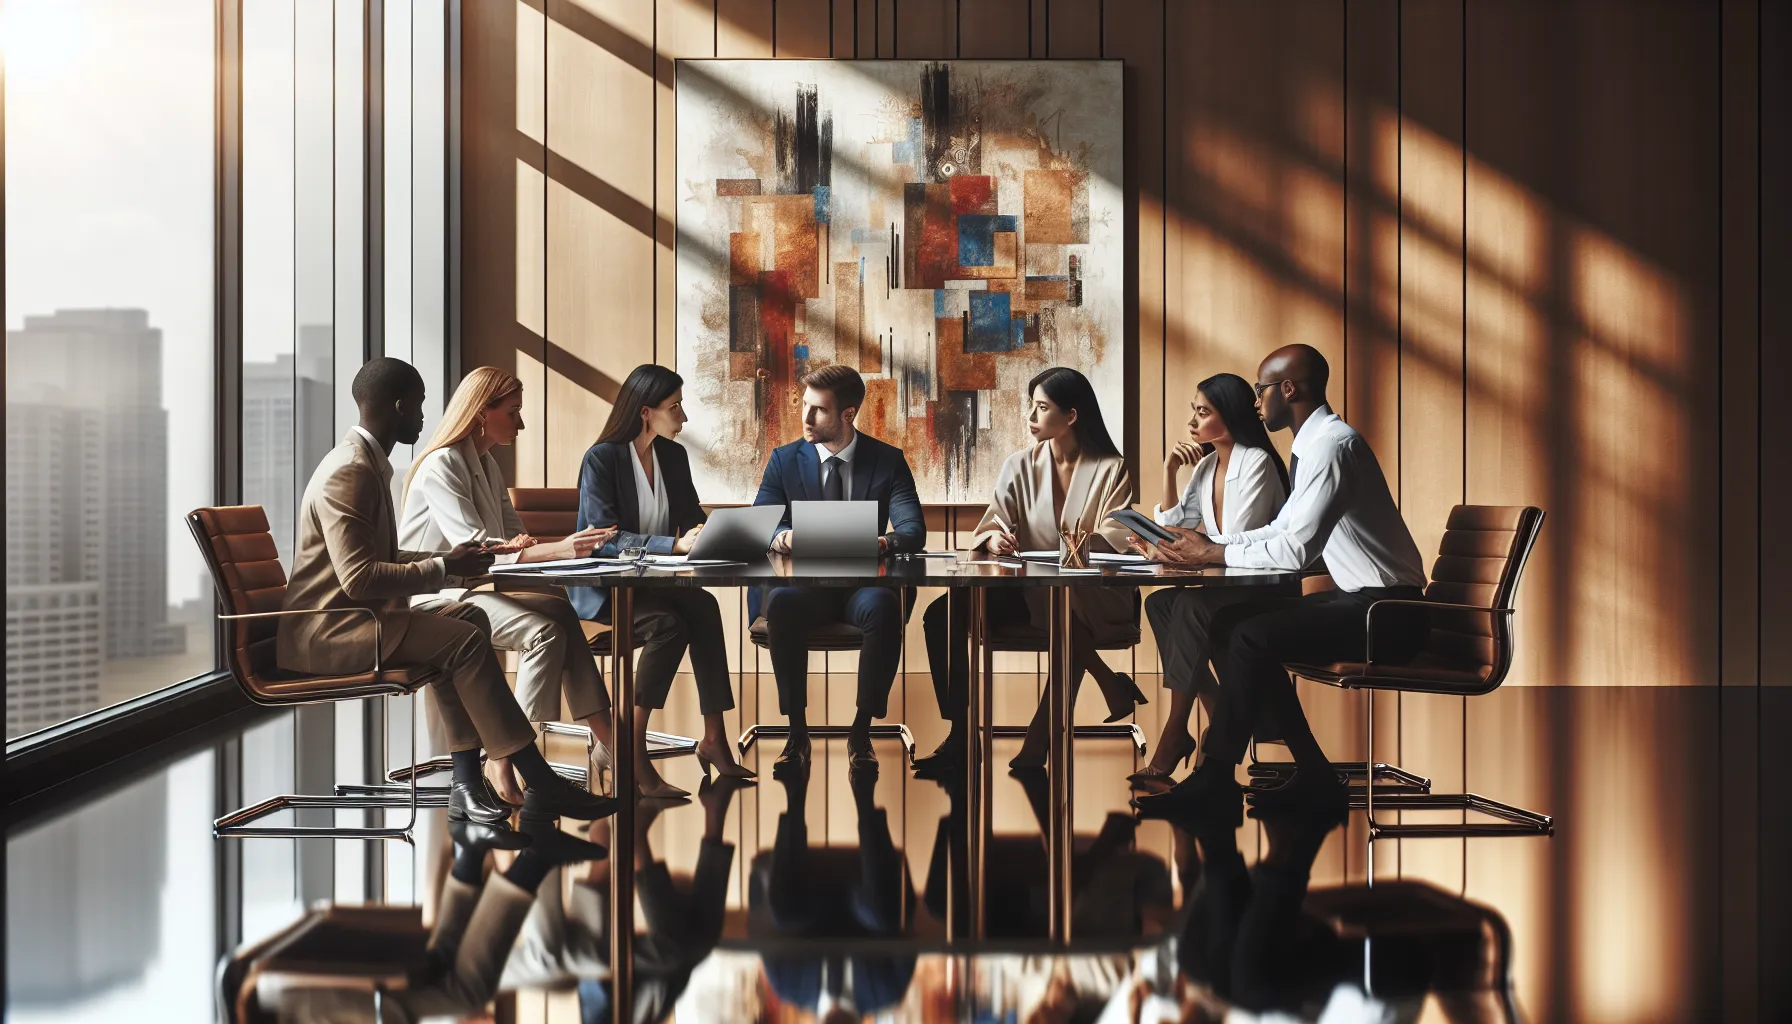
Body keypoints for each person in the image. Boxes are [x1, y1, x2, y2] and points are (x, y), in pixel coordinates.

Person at [276, 358, 611, 850]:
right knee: (463, 641)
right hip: (334, 633)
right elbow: (359, 579)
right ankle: (534, 777)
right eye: (420, 405)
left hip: (362, 620)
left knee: (469, 620)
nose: (424, 416)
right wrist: (445, 569)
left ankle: (468, 785)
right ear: (399, 406)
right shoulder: (350, 471)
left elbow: (384, 558)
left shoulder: (366, 463)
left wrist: (450, 562)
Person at [1134, 344, 1429, 827]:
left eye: (1260, 390)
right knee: (1234, 625)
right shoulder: (1313, 446)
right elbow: (1278, 531)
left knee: (1250, 633)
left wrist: (1211, 551)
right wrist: (1208, 544)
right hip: (1364, 601)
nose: (1256, 402)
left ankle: (1215, 777)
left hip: (1389, 612)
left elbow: (1295, 550)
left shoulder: (1332, 447)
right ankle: (1312, 770)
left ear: (1287, 389)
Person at [400, 366, 618, 806]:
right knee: (543, 632)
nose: (520, 423)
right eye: (513, 412)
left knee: (559, 610)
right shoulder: (443, 464)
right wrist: (560, 550)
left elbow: (515, 539)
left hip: (473, 590)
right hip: (435, 598)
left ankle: (608, 738)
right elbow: (482, 551)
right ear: (483, 413)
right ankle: (507, 756)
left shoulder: (485, 462)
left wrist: (553, 550)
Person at [914, 367, 1144, 773]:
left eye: (1042, 408)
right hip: (1030, 592)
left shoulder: (1111, 468)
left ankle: (1041, 736)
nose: (1031, 417)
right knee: (941, 616)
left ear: (1071, 416)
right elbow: (993, 522)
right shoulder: (1019, 464)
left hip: (1094, 595)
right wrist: (994, 540)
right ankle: (962, 731)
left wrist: (1063, 551)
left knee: (1049, 592)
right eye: (1031, 407)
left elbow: (1118, 534)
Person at [570, 364, 756, 798]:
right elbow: (602, 538)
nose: (684, 417)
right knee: (668, 625)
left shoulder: (673, 457)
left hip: (652, 584)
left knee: (705, 607)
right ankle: (630, 750)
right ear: (645, 412)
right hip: (605, 593)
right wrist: (671, 547)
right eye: (676, 407)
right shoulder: (602, 459)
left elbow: (692, 520)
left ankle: (714, 739)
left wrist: (725, 536)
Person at [246, 815, 608, 1023]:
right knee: (443, 958)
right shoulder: (251, 982)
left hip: (335, 1005)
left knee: (469, 991)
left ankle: (534, 860)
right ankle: (471, 850)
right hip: (306, 980)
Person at [751, 364, 926, 774]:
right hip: (802, 587)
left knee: (884, 608)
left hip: (862, 588)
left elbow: (913, 530)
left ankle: (861, 732)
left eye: (819, 411)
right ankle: (796, 733)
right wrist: (784, 536)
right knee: (784, 607)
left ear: (848, 414)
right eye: (805, 407)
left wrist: (883, 542)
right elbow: (763, 520)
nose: (806, 419)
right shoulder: (783, 460)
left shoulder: (887, 461)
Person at [1128, 373, 1289, 792]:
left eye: (1203, 412)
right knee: (1159, 604)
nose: (1193, 423)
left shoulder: (1257, 462)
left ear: (1230, 416)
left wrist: (1177, 551)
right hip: (1226, 585)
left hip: (1263, 587)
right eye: (1193, 412)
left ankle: (1175, 730)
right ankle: (1213, 707)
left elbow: (1237, 537)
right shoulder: (1205, 464)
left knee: (1187, 607)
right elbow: (1177, 524)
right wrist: (1168, 471)